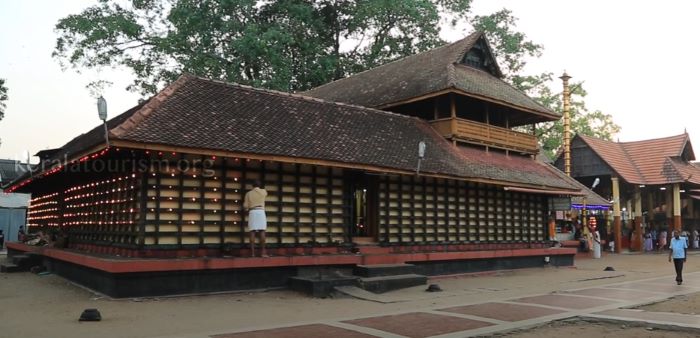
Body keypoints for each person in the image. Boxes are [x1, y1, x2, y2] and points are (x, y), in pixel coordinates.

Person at [243, 180, 268, 257]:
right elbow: (265, 195)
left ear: (252, 186)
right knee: (262, 231)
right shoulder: (264, 191)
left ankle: (252, 253)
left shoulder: (248, 194)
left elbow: (245, 206)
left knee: (252, 231)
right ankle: (263, 253)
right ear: (259, 185)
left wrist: (247, 209)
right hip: (261, 212)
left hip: (253, 212)